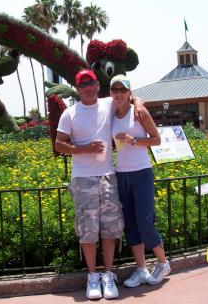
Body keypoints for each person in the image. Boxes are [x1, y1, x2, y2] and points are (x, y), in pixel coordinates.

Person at [55, 69, 146, 300]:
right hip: (82, 177)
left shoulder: (108, 104)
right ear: (78, 88)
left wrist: (139, 103)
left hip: (107, 175)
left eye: (91, 83)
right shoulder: (70, 113)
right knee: (88, 229)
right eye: (82, 84)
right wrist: (84, 148)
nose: (87, 87)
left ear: (97, 85)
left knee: (110, 228)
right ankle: (92, 276)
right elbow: (59, 144)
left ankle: (107, 274)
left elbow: (127, 96)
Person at [110, 74, 171, 288]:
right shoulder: (109, 112)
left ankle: (163, 263)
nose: (118, 93)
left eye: (122, 90)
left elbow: (157, 139)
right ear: (111, 93)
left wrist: (134, 140)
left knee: (145, 222)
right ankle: (141, 268)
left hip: (141, 172)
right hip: (121, 173)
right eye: (114, 89)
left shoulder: (139, 112)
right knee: (131, 224)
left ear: (129, 92)